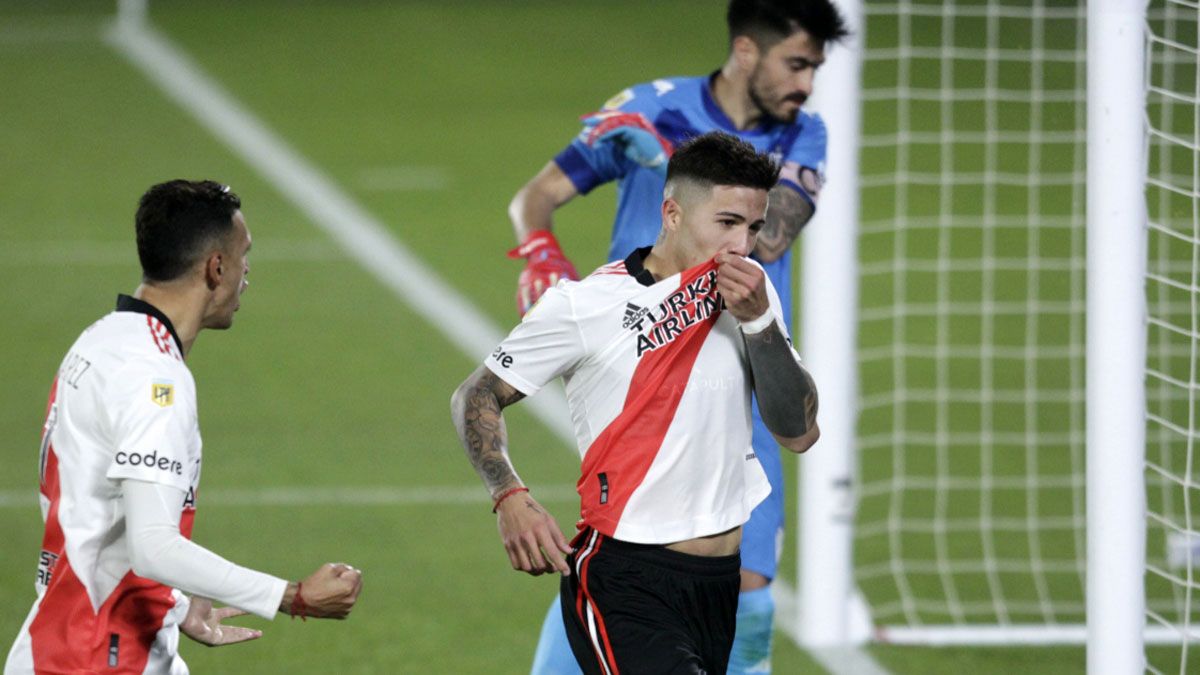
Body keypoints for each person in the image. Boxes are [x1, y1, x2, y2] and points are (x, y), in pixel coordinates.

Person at [505, 2, 847, 671]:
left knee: (741, 582)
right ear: (747, 51)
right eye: (797, 63)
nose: (806, 84)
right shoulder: (649, 106)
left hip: (740, 376)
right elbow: (534, 197)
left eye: (815, 68)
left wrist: (677, 165)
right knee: (629, 549)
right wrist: (541, 250)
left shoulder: (804, 137)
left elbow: (772, 233)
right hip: (640, 370)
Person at [455, 133, 819, 674]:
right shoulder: (586, 306)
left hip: (717, 586)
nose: (743, 245)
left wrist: (761, 321)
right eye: (726, 223)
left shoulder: (751, 291)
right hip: (625, 577)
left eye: (754, 227)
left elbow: (798, 432)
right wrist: (509, 495)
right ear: (672, 213)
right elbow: (477, 393)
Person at [4, 180, 363, 675]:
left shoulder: (103, 338)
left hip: (69, 637)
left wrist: (171, 603)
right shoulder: (155, 379)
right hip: (98, 656)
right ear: (216, 267)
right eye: (244, 257)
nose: (246, 274)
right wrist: (291, 596)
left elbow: (102, 515)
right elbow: (154, 546)